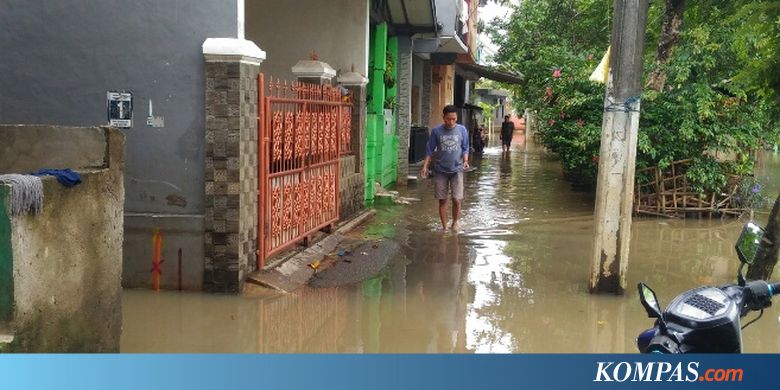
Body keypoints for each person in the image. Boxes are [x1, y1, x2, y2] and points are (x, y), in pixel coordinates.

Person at [420, 105, 470, 232]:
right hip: (440, 171)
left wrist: (465, 161)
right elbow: (429, 150)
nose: (451, 122)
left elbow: (465, 148)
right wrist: (425, 166)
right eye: (448, 119)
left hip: (457, 169)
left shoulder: (462, 130)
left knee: (457, 199)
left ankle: (455, 222)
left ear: (457, 118)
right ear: (443, 117)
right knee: (442, 200)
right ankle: (445, 227)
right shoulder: (436, 131)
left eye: (454, 119)